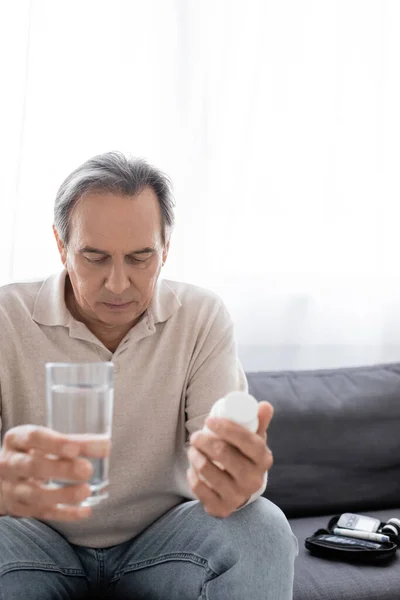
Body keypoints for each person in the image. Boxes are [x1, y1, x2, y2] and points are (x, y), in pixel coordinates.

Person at [0, 152, 298, 599]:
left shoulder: (201, 317)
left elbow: (221, 463)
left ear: (166, 250)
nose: (118, 284)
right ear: (61, 246)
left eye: (140, 258)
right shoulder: (7, 318)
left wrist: (235, 479)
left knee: (264, 528)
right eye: (94, 257)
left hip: (162, 543)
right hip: (34, 543)